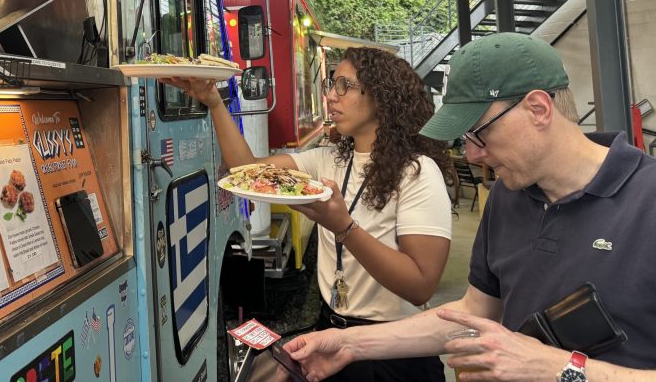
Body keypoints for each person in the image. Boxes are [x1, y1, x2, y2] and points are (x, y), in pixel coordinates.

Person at [279, 32, 656, 382]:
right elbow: (474, 315)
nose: (473, 154)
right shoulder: (508, 197)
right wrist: (347, 342)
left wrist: (561, 367)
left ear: (539, 109)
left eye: (480, 134)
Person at [165, 47, 453, 382]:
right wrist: (214, 102)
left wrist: (344, 229)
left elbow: (419, 286)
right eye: (331, 84)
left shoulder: (418, 172)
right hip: (332, 334)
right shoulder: (330, 159)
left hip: (393, 351)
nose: (331, 96)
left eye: (344, 86)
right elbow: (247, 170)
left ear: (381, 97)